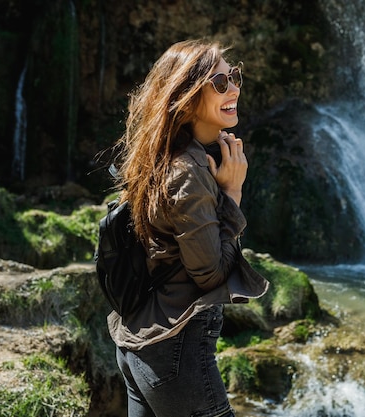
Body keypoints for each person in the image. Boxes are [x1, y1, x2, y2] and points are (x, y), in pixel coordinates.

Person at [107, 39, 269, 417]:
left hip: (141, 342)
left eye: (235, 76)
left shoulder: (162, 155)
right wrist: (232, 194)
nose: (234, 88)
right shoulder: (188, 170)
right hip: (174, 351)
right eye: (220, 82)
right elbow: (209, 274)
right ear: (187, 96)